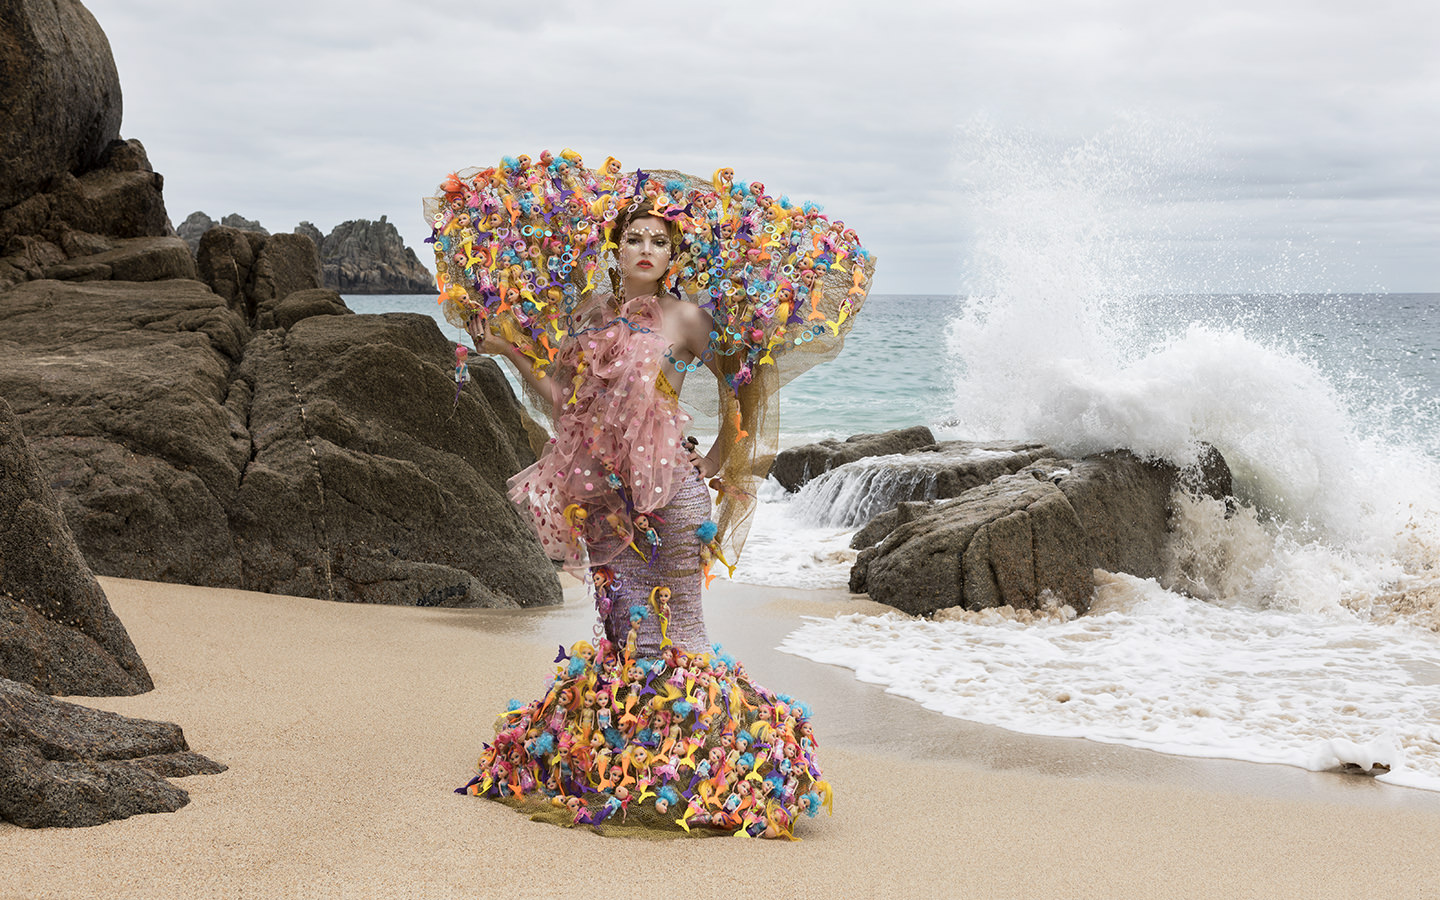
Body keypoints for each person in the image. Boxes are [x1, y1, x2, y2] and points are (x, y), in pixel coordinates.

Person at [428, 153, 870, 837]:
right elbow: (562, 405)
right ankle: (626, 775)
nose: (646, 249)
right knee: (620, 637)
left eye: (659, 241)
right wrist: (511, 349)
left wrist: (724, 460)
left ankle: (701, 776)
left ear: (674, 255)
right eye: (634, 237)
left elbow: (743, 383)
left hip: (675, 499)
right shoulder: (587, 314)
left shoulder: (687, 319)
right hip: (604, 501)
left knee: (683, 635)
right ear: (615, 247)